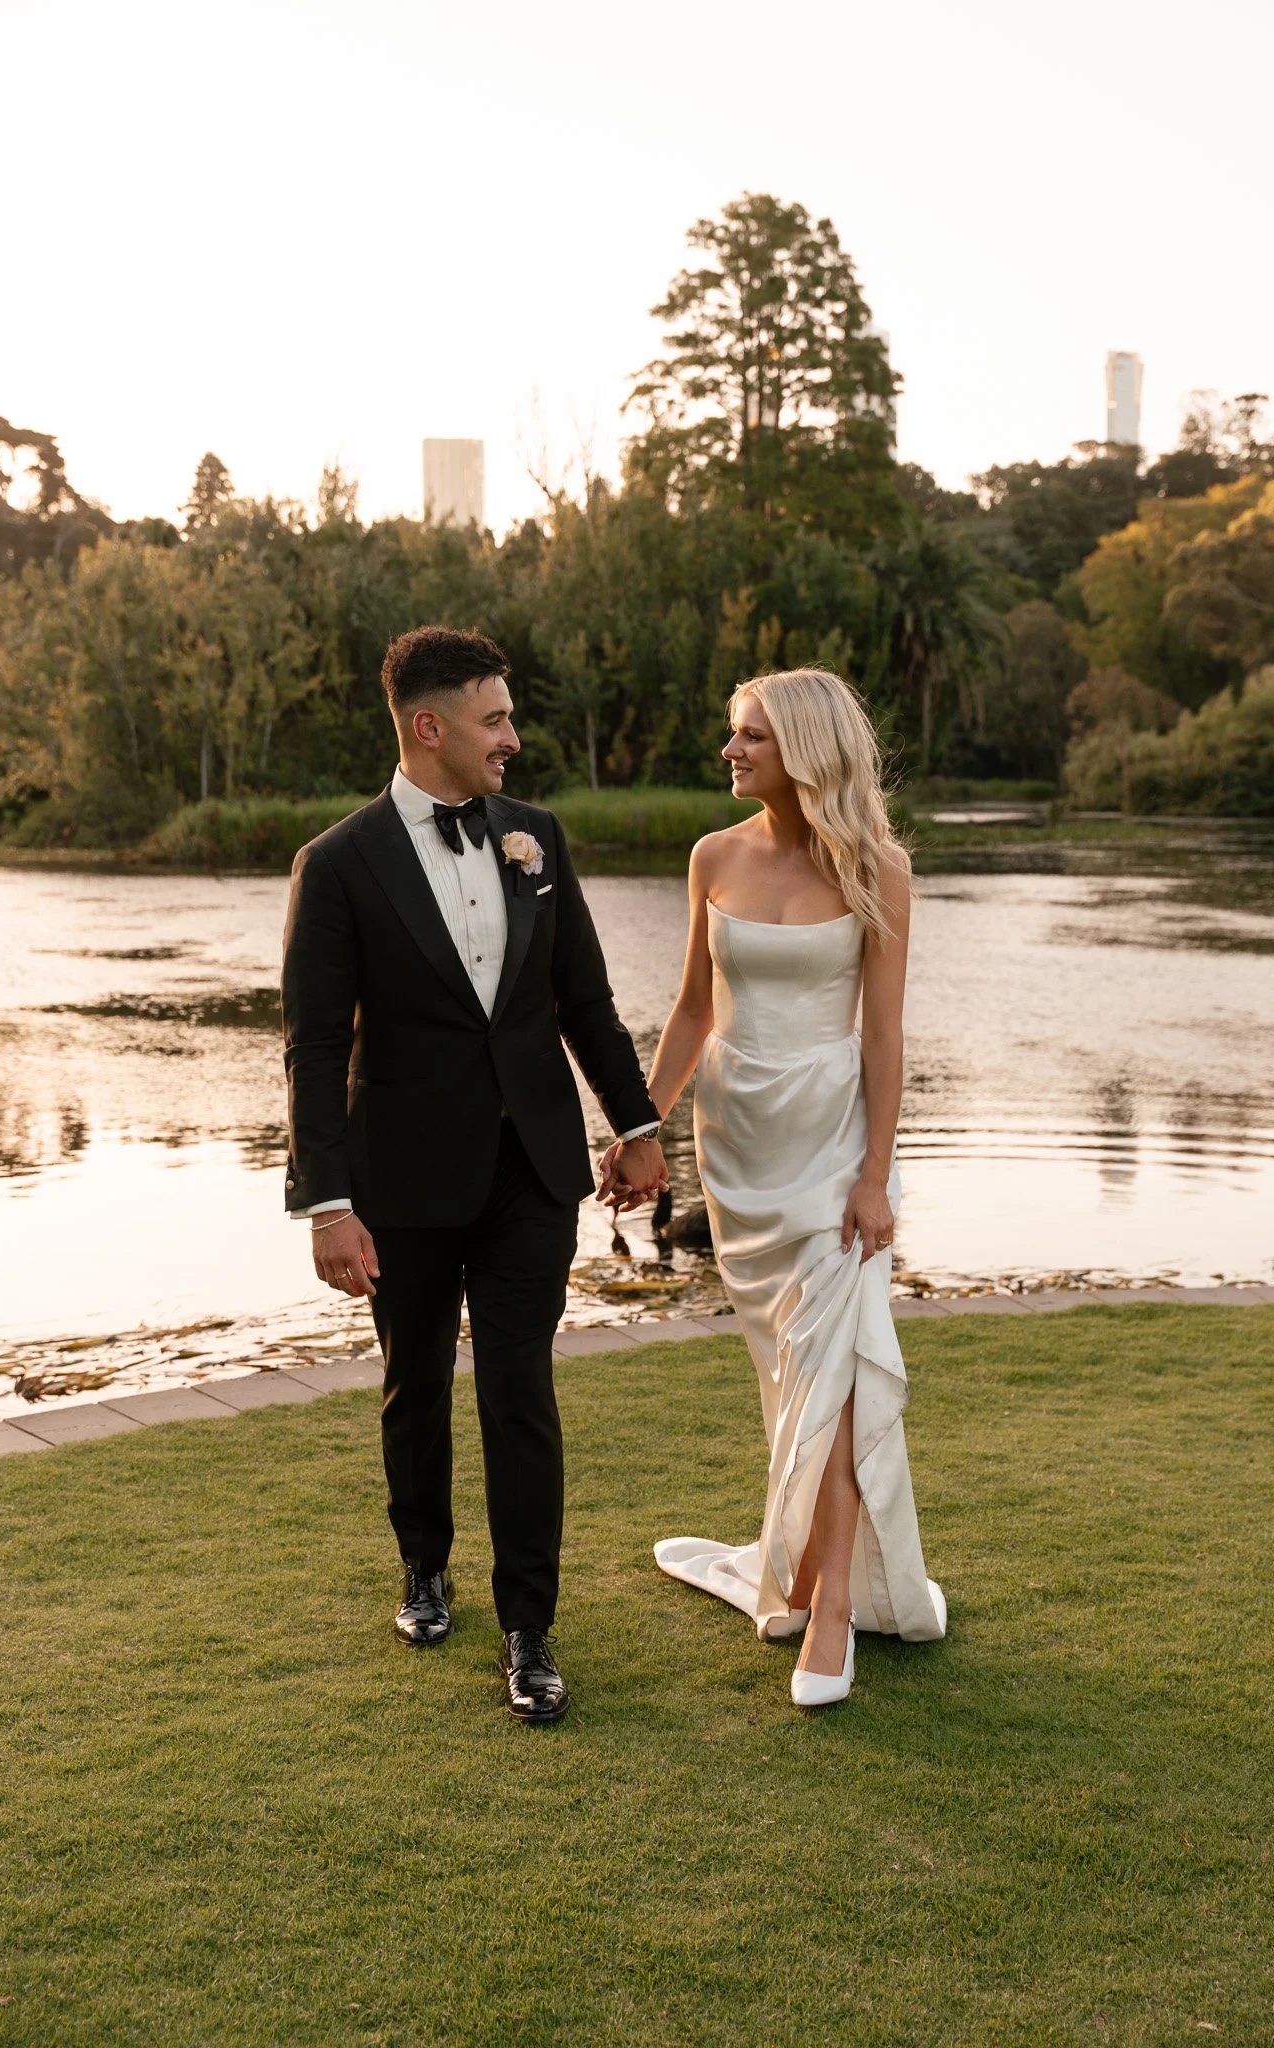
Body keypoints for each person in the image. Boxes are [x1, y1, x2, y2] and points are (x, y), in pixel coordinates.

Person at [281, 626, 667, 1723]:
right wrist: (326, 1201)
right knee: (413, 1382)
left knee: (521, 1390)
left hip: (531, 1173)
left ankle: (529, 1629)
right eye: (495, 717)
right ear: (430, 725)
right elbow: (312, 1044)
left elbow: (583, 1001)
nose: (513, 736)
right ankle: (423, 1566)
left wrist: (636, 1124)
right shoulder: (340, 862)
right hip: (398, 1179)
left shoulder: (537, 838)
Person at [601, 668, 945, 1708]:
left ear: (802, 747)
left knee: (834, 1368)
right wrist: (636, 1123)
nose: (730, 750)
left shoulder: (879, 869)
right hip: (736, 1138)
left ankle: (832, 1601)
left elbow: (882, 1035)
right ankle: (800, 1562)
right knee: (789, 1366)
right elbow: (693, 1008)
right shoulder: (714, 855)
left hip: (831, 1140)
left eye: (748, 734)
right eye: (730, 733)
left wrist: (876, 1176)